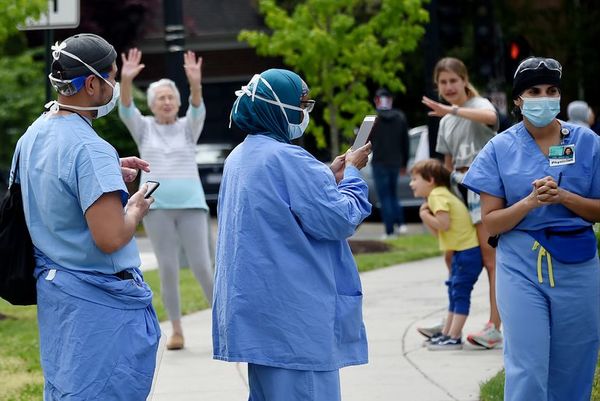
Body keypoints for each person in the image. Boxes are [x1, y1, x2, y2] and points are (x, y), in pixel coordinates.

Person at [12, 33, 160, 400]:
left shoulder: (33, 134)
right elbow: (110, 237)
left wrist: (109, 169)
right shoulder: (90, 149)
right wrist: (135, 207)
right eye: (111, 76)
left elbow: (49, 188)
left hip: (59, 297)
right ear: (92, 83)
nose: (113, 84)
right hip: (98, 310)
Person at [213, 69, 372, 401]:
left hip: (261, 319)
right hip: (296, 323)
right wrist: (353, 175)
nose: (305, 112)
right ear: (278, 106)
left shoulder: (239, 157)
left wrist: (326, 174)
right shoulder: (289, 158)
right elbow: (340, 219)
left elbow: (284, 202)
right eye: (301, 103)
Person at [463, 57, 600, 401]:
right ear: (518, 101)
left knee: (575, 363)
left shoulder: (586, 142)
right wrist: (529, 203)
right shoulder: (499, 148)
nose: (544, 97)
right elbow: (491, 220)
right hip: (522, 265)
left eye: (551, 90)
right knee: (528, 364)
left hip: (578, 265)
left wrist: (565, 196)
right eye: (534, 91)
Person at [118, 48, 214, 350]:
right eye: (161, 97)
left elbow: (198, 106)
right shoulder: (144, 128)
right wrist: (125, 79)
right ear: (153, 104)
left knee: (202, 266)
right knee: (168, 268)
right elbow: (125, 108)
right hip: (156, 207)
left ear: (178, 102)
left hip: (192, 205)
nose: (167, 101)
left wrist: (195, 83)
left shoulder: (188, 127)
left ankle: (224, 324)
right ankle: (176, 330)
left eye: (171, 97)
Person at [420, 57, 502, 349]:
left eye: (453, 81)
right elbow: (447, 166)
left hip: (484, 190)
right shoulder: (445, 122)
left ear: (464, 80)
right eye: (443, 82)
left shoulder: (478, 106)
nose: (448, 87)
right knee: (453, 256)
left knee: (490, 260)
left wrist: (452, 109)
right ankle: (452, 321)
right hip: (460, 193)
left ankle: (494, 326)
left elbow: (492, 117)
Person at [409, 159, 482, 350]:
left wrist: (425, 216)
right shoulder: (440, 195)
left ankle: (455, 336)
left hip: (467, 252)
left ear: (430, 180)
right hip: (462, 252)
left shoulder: (437, 195)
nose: (411, 184)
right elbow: (440, 232)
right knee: (454, 292)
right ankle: (448, 333)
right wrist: (427, 217)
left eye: (415, 179)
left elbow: (443, 224)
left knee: (459, 293)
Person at [370, 88, 410, 238]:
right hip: (395, 163)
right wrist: (404, 163)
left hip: (379, 162)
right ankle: (401, 224)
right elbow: (405, 143)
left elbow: (362, 142)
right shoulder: (400, 118)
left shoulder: (373, 119)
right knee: (394, 195)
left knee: (384, 197)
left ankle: (389, 230)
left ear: (376, 100)